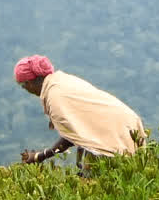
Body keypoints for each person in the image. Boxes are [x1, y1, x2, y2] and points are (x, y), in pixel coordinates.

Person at [14, 55, 145, 169]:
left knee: (99, 182)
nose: (25, 89)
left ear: (31, 82)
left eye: (23, 85)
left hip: (115, 132)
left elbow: (70, 136)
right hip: (127, 123)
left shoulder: (55, 96)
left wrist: (39, 156)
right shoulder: (62, 80)